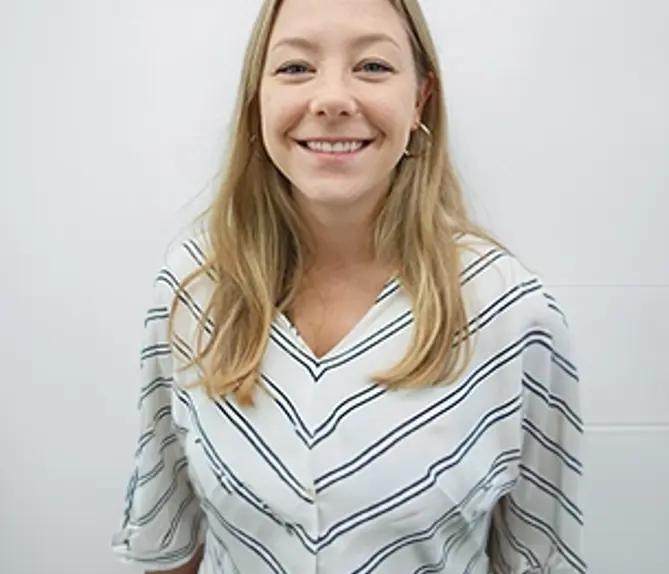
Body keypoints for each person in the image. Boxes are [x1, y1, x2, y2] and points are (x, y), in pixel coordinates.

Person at [111, 0, 586, 572]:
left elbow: (539, 559)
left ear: (419, 101)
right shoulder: (193, 292)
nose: (332, 98)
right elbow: (168, 545)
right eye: (295, 68)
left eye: (373, 66)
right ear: (256, 100)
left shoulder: (512, 314)